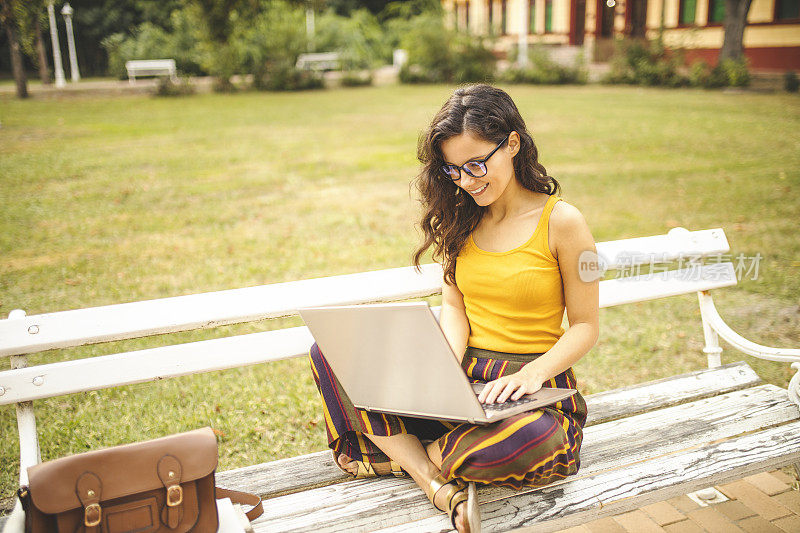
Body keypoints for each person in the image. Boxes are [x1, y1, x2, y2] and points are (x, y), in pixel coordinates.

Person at [308, 83, 599, 533]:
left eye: (477, 164)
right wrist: (439, 369)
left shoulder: (564, 222)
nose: (467, 180)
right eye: (454, 170)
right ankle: (436, 482)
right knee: (331, 352)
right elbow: (455, 306)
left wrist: (530, 375)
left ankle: (403, 455)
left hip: (532, 391)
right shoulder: (460, 221)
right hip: (464, 380)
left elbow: (585, 326)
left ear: (513, 143)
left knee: (536, 440)